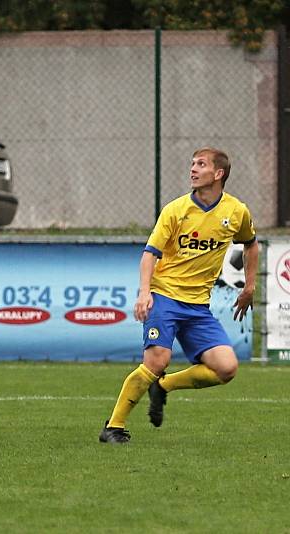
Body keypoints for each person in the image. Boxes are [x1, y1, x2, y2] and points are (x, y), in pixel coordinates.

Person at [99, 147, 258, 444]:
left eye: (201, 164)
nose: (193, 170)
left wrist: (249, 287)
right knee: (157, 360)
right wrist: (145, 293)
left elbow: (251, 244)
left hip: (198, 307)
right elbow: (149, 255)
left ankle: (164, 387)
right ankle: (113, 427)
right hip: (165, 297)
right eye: (192, 164)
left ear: (218, 173)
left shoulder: (236, 212)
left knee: (227, 368)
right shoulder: (176, 210)